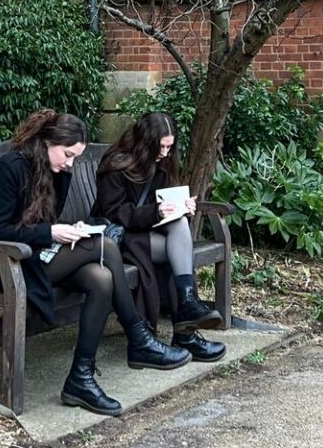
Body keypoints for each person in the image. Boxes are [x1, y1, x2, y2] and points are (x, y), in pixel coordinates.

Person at [0, 109, 189, 416]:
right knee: (104, 244)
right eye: (67, 154)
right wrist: (51, 231)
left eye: (75, 157)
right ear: (47, 141)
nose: (70, 163)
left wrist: (65, 230)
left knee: (100, 278)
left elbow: (48, 221)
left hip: (40, 256)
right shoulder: (9, 168)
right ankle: (138, 336)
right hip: (9, 264)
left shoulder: (57, 170)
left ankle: (80, 378)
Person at [93, 112, 226, 364]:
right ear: (145, 142)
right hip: (118, 239)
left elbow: (161, 201)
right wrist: (156, 211)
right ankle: (185, 330)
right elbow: (114, 212)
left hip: (146, 232)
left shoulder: (161, 162)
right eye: (161, 146)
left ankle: (187, 304)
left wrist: (180, 205)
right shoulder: (116, 164)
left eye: (169, 146)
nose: (165, 152)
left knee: (179, 229)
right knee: (180, 256)